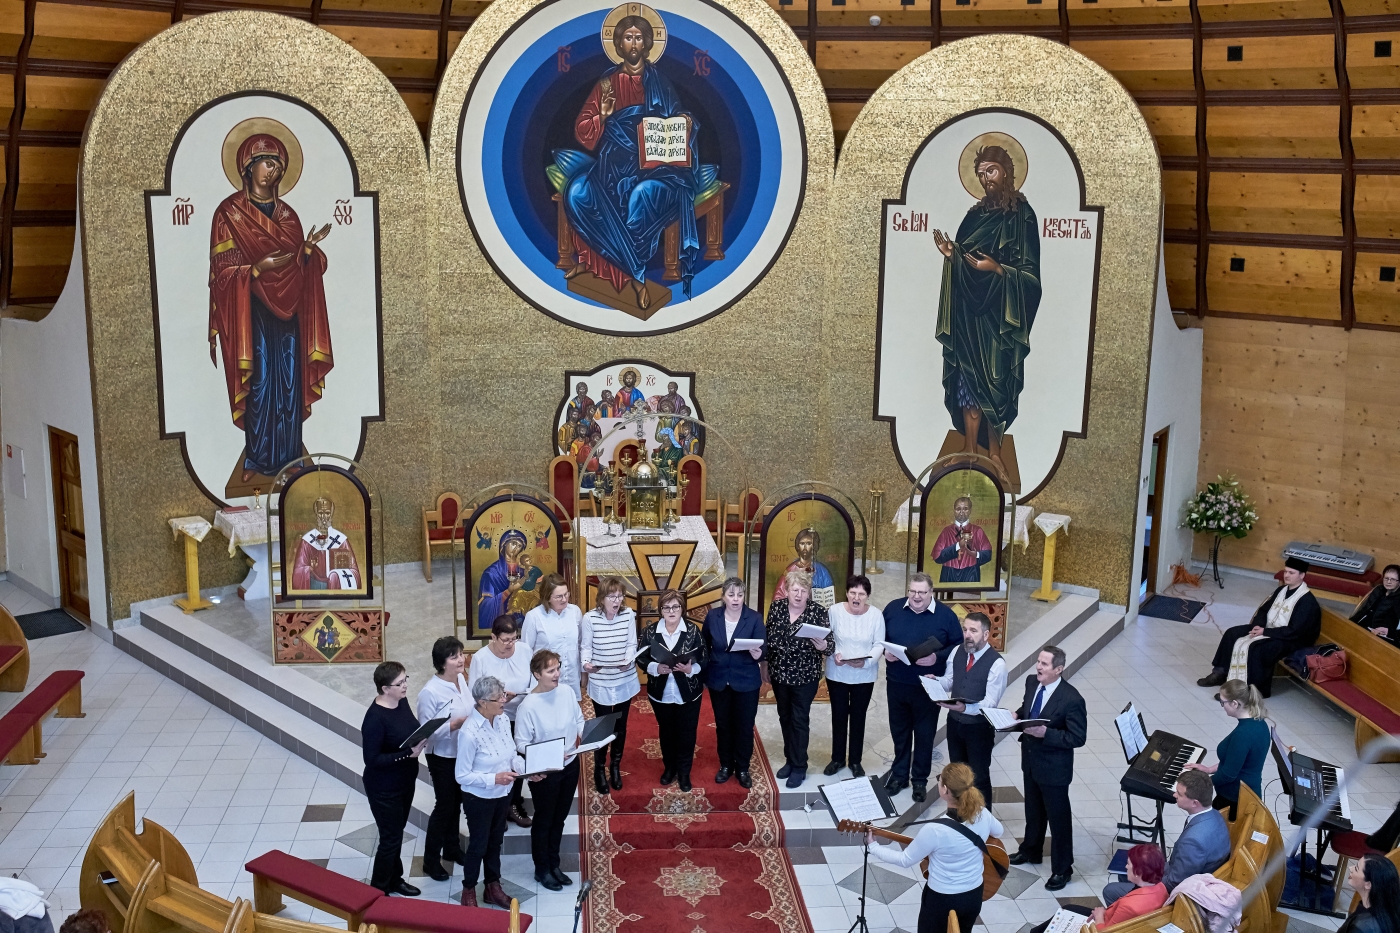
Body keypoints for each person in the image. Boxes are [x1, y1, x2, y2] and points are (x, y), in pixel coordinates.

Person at [208, 131, 333, 485]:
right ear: (248, 167)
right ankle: (257, 457)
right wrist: (256, 270)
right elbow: (221, 273)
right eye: (266, 162)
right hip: (250, 314)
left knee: (290, 381)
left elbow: (298, 266)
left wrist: (307, 252)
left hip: (290, 313)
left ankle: (290, 458)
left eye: (277, 165)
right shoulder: (229, 214)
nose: (273, 170)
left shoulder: (288, 215)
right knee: (260, 382)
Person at [556, 17, 704, 309]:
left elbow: (675, 119)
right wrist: (603, 115)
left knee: (640, 197)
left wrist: (685, 122)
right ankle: (601, 265)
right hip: (611, 167)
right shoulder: (607, 84)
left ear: (647, 43)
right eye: (627, 38)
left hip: (655, 168)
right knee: (576, 193)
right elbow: (583, 131)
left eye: (638, 38)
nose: (633, 44)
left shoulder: (660, 82)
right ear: (619, 44)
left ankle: (633, 276)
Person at [932, 144, 1041, 478]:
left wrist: (997, 269)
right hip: (969, 313)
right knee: (967, 379)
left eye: (990, 171)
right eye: (980, 174)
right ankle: (969, 448)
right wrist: (952, 255)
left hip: (1001, 315)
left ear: (1006, 171)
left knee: (996, 381)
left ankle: (994, 452)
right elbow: (965, 256)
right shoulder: (974, 216)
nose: (985, 179)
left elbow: (1031, 276)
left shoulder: (1022, 215)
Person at [867, 763, 1005, 933]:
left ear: (945, 790)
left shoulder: (935, 830)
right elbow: (998, 832)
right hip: (973, 894)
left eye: (939, 780)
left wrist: (873, 846)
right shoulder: (982, 813)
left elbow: (904, 860)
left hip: (942, 898)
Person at [1009, 645, 1087, 891]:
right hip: (1031, 760)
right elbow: (1029, 708)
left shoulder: (1072, 699)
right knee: (1033, 810)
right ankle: (1031, 850)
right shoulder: (1032, 682)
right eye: (1038, 662)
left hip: (1054, 769)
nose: (1038, 667)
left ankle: (1063, 869)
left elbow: (1078, 738)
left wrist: (1047, 734)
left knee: (1058, 819)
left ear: (1059, 669)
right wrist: (1016, 715)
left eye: (1044, 664)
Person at [883, 573, 964, 800]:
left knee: (925, 734)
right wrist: (885, 652)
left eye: (922, 592)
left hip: (928, 686)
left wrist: (937, 657)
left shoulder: (946, 616)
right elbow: (879, 637)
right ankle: (899, 775)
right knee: (900, 732)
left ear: (931, 593)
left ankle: (919, 780)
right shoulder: (893, 609)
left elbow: (959, 646)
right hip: (897, 682)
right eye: (912, 591)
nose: (916, 596)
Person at [1197, 557, 1321, 697]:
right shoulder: (1281, 590)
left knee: (1257, 648)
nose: (1286, 575)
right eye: (1286, 571)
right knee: (1232, 633)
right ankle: (1220, 673)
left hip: (1290, 639)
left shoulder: (1307, 601)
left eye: (1291, 573)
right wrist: (1258, 625)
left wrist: (1265, 632)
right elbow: (1263, 610)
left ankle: (1251, 690)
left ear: (1302, 575)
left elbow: (1295, 631)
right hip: (1269, 629)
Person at [1104, 770, 1229, 905]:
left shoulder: (1193, 841)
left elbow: (1174, 882)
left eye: (1179, 794)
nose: (1174, 795)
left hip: (1175, 891)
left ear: (1195, 803)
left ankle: (1127, 913)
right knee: (1128, 871)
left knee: (1110, 891)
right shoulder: (1215, 815)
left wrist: (1144, 882)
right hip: (1180, 871)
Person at [515, 649, 584, 892]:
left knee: (559, 818)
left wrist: (587, 737)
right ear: (537, 674)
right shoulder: (528, 706)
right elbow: (521, 743)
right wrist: (547, 753)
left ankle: (554, 864)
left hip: (570, 764)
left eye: (557, 669)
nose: (557, 674)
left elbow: (578, 720)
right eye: (550, 670)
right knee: (544, 820)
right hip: (545, 771)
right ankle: (542, 868)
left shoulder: (566, 692)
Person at [454, 675, 524, 909]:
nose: (504, 700)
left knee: (495, 842)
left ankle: (493, 886)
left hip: (503, 794)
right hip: (479, 798)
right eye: (499, 698)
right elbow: (461, 776)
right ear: (482, 702)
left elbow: (512, 755)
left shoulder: (502, 719)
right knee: (479, 845)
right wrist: (494, 778)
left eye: (503, 695)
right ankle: (469, 889)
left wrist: (528, 770)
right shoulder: (469, 732)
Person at [361, 661, 426, 896]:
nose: (405, 685)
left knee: (397, 833)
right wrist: (407, 754)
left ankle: (395, 880)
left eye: (405, 679)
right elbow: (372, 759)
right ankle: (378, 890)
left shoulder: (401, 701)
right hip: (384, 787)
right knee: (390, 838)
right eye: (399, 683)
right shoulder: (375, 718)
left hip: (405, 780)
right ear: (385, 688)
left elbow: (408, 730)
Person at [764, 569, 834, 788]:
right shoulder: (777, 608)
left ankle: (800, 766)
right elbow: (767, 637)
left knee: (799, 720)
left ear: (809, 592)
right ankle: (789, 759)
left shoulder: (817, 611)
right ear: (786, 590)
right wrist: (765, 665)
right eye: (795, 590)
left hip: (805, 677)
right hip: (780, 674)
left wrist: (823, 646)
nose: (798, 594)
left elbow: (830, 645)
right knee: (785, 717)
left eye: (803, 590)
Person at [468, 617, 535, 828]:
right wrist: (501, 698)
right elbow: (474, 693)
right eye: (505, 640)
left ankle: (514, 803)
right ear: (493, 637)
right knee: (498, 761)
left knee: (519, 758)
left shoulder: (525, 650)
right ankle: (499, 807)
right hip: (494, 719)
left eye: (514, 638)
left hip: (521, 715)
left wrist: (523, 693)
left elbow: (534, 681)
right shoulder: (481, 658)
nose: (510, 644)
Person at [638, 589, 708, 791]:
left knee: (687, 733)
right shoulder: (651, 632)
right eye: (666, 607)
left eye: (675, 607)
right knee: (666, 731)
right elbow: (641, 657)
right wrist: (655, 667)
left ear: (682, 609)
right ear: (660, 610)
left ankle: (684, 773)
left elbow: (705, 658)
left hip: (688, 692)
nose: (671, 611)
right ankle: (669, 768)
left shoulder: (693, 631)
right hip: (660, 692)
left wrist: (691, 669)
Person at [934, 611, 1006, 805]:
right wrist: (936, 682)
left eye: (973, 631)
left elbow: (990, 703)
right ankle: (960, 814)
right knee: (957, 776)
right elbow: (950, 680)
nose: (967, 635)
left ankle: (983, 819)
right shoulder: (957, 651)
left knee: (978, 778)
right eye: (965, 630)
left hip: (979, 729)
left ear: (986, 634)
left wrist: (964, 708)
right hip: (954, 724)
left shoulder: (997, 664)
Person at [415, 636, 472, 882]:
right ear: (441, 663)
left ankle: (452, 848)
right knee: (445, 806)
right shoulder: (430, 692)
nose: (461, 660)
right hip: (442, 756)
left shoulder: (461, 679)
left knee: (456, 802)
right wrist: (454, 725)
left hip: (462, 752)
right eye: (454, 657)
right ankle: (430, 860)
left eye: (461, 654)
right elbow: (426, 732)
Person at [702, 577, 765, 788]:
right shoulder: (713, 616)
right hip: (719, 679)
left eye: (740, 595)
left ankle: (743, 767)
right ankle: (726, 765)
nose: (736, 599)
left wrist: (758, 654)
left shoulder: (754, 618)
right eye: (731, 595)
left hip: (746, 681)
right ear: (723, 597)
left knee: (744, 726)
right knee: (723, 725)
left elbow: (763, 649)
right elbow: (704, 645)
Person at [581, 576, 640, 794]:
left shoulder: (628, 615)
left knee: (621, 726)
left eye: (620, 596)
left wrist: (628, 660)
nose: (617, 601)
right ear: (601, 598)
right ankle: (599, 768)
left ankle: (615, 766)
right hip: (601, 681)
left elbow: (632, 643)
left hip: (624, 679)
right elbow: (586, 647)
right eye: (612, 597)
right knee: (603, 726)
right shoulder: (590, 618)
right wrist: (586, 664)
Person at [824, 575, 885, 779]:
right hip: (837, 672)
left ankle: (855, 761)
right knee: (839, 716)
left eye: (861, 594)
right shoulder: (834, 611)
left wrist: (866, 662)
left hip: (864, 675)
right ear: (847, 593)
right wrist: (834, 654)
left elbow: (879, 644)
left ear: (868, 596)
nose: (856, 598)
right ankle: (837, 759)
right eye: (853, 593)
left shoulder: (876, 615)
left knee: (859, 717)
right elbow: (827, 637)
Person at [1028, 845, 1167, 933]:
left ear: (1138, 872)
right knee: (1069, 908)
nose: (1125, 867)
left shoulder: (1129, 906)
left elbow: (1105, 931)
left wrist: (1100, 915)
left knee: (1065, 915)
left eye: (1129, 864)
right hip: (1123, 922)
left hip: (1103, 925)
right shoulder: (1161, 888)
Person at [1184, 679, 1271, 816]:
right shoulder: (1259, 722)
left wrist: (1200, 786)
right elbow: (1236, 760)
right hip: (1245, 794)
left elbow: (1228, 775)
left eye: (1223, 702)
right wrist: (1209, 770)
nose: (1222, 706)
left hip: (1234, 799)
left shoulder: (1243, 734)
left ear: (1234, 703)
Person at [522, 574, 584, 700]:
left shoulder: (575, 612)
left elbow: (580, 644)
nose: (564, 599)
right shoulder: (534, 616)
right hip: (544, 682)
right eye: (559, 596)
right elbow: (526, 652)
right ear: (547, 597)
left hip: (571, 678)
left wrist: (584, 673)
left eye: (566, 594)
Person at [290, 496, 362, 592]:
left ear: (331, 514)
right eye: (320, 513)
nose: (324, 518)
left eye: (327, 513)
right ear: (316, 514)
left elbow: (354, 572)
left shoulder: (340, 540)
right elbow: (298, 572)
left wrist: (335, 576)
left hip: (336, 587)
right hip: (314, 587)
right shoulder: (307, 541)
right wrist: (309, 569)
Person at [931, 497, 993, 585]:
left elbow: (988, 554)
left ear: (970, 510)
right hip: (949, 573)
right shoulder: (946, 531)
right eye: (958, 509)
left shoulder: (977, 530)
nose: (961, 512)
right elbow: (937, 557)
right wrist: (957, 546)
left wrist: (975, 554)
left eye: (965, 509)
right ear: (954, 511)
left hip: (971, 573)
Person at [478, 530, 529, 630]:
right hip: (501, 622)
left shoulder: (523, 572)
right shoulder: (491, 573)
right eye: (513, 543)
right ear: (504, 544)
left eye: (519, 546)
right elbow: (486, 604)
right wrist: (508, 591)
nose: (516, 548)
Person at [772, 529, 836, 608]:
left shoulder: (823, 572)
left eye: (809, 543)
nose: (805, 547)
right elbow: (778, 596)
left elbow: (829, 600)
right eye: (802, 543)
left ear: (814, 546)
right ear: (798, 546)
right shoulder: (790, 570)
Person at [1340, 855, 1400, 933]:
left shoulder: (1361, 927)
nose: (1350, 868)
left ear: (1368, 884)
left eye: (1356, 869)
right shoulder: (1389, 910)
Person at [1353, 565, 1400, 643]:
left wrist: (1389, 632)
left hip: (1384, 638)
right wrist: (1349, 623)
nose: (1388, 582)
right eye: (1386, 578)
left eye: (1393, 579)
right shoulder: (1378, 590)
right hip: (1366, 629)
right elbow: (1364, 611)